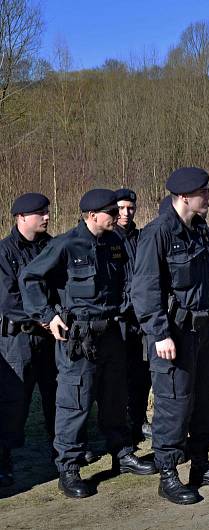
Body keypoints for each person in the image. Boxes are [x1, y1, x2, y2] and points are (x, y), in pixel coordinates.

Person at [21, 189, 156, 499]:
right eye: (111, 212)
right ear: (93, 216)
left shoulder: (116, 242)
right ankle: (68, 468)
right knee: (75, 402)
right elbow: (30, 278)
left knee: (114, 396)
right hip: (78, 338)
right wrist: (47, 316)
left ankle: (121, 453)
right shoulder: (66, 245)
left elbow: (130, 280)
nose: (119, 215)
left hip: (112, 333)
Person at [133, 168, 209, 505]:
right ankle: (168, 474)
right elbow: (145, 289)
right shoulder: (158, 233)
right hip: (174, 334)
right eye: (203, 192)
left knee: (207, 400)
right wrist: (159, 333)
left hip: (205, 329)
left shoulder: (200, 231)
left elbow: (207, 278)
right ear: (183, 197)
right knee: (174, 405)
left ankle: (201, 464)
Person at [0, 193, 57, 487]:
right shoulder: (4, 252)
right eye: (40, 213)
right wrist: (44, 317)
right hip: (18, 339)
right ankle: (3, 458)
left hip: (50, 337)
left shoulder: (52, 246)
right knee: (13, 400)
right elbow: (8, 301)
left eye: (47, 212)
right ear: (21, 217)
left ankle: (60, 450)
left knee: (55, 395)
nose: (47, 217)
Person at [113, 188, 152, 444]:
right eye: (121, 208)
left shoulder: (142, 238)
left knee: (142, 373)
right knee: (118, 377)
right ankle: (120, 426)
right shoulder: (107, 239)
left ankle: (139, 421)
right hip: (118, 319)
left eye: (131, 208)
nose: (126, 213)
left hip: (141, 318)